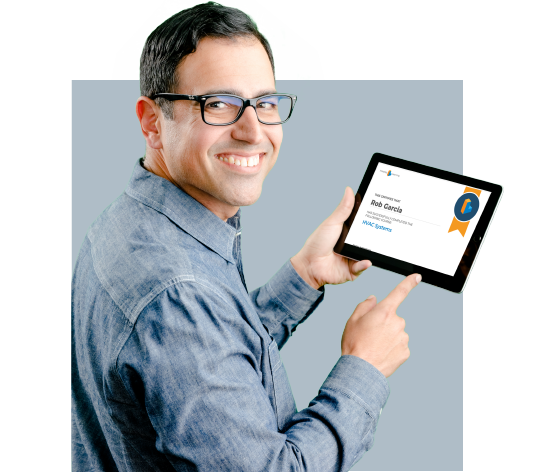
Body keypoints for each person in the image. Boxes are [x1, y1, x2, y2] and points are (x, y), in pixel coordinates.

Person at [71, 2, 420, 471]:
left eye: (266, 103)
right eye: (218, 104)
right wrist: (364, 369)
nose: (254, 130)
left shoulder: (130, 223)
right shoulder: (177, 294)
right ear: (153, 122)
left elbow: (207, 362)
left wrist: (303, 276)